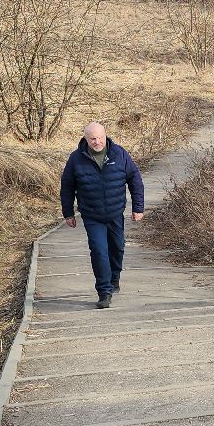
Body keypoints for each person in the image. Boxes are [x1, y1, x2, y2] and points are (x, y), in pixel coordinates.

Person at [59, 121, 145, 308]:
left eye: (100, 137)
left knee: (118, 247)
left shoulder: (119, 154)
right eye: (92, 139)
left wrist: (138, 208)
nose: (97, 142)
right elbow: (67, 187)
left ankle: (115, 277)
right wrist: (68, 213)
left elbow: (135, 179)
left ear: (105, 136)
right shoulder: (76, 159)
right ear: (86, 139)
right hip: (92, 215)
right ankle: (104, 292)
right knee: (99, 251)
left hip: (115, 212)